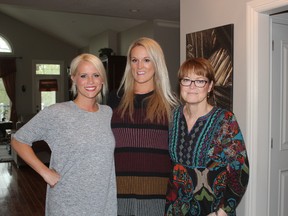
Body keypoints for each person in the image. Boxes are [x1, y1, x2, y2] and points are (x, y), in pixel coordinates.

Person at [11, 53, 117, 216]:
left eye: (96, 75)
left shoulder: (107, 113)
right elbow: (18, 140)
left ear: (102, 80)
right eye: (83, 75)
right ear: (73, 78)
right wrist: (45, 172)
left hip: (103, 204)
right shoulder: (57, 113)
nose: (90, 81)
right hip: (67, 205)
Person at [165, 58, 249, 216]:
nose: (192, 86)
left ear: (210, 86)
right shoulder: (173, 116)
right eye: (186, 80)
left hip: (213, 210)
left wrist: (223, 211)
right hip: (176, 208)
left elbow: (241, 170)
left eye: (200, 81)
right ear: (180, 84)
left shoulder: (225, 120)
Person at [108, 37, 179, 215]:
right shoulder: (114, 99)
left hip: (157, 195)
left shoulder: (171, 105)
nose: (139, 66)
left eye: (146, 60)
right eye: (134, 60)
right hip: (118, 193)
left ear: (157, 64)